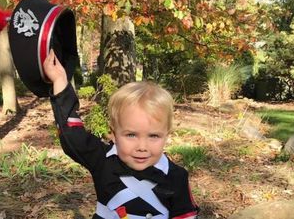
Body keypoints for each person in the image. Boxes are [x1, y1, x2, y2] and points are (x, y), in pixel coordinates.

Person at [44, 50, 199, 219]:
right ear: (113, 133)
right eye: (131, 135)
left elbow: (185, 216)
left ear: (166, 135)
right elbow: (72, 136)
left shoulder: (176, 177)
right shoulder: (102, 160)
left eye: (153, 136)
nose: (142, 147)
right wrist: (59, 81)